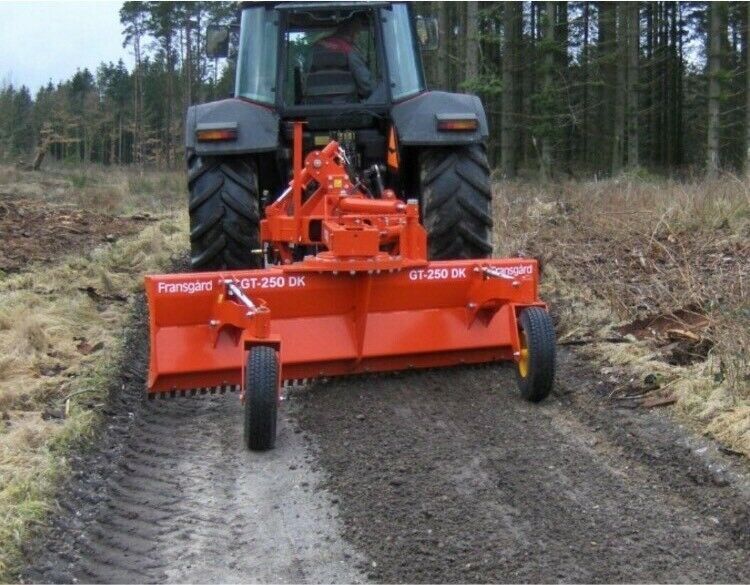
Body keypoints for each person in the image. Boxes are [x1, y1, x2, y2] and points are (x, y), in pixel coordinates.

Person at [308, 14, 373, 101]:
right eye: (358, 31)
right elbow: (365, 84)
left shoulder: (315, 47)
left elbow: (305, 75)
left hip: (313, 106)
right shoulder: (349, 50)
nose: (357, 35)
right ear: (352, 30)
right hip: (346, 108)